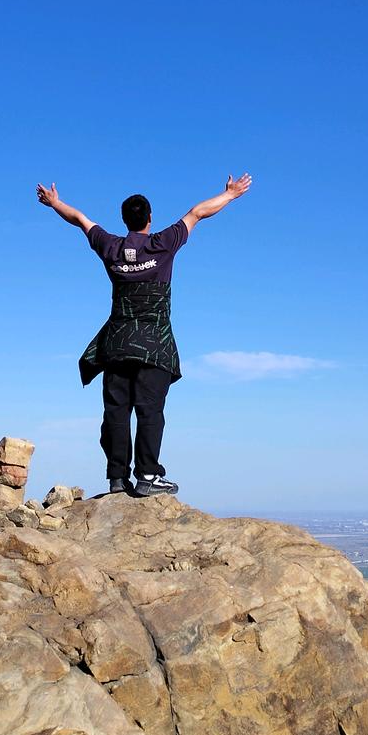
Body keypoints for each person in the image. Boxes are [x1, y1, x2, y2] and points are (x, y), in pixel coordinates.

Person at [36, 174, 252, 497]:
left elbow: (81, 220)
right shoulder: (162, 244)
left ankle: (117, 479)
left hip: (118, 346)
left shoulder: (112, 248)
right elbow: (198, 212)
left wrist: (54, 203)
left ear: (125, 220)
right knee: (150, 411)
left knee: (116, 411)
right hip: (154, 347)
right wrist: (231, 195)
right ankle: (148, 476)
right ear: (149, 219)